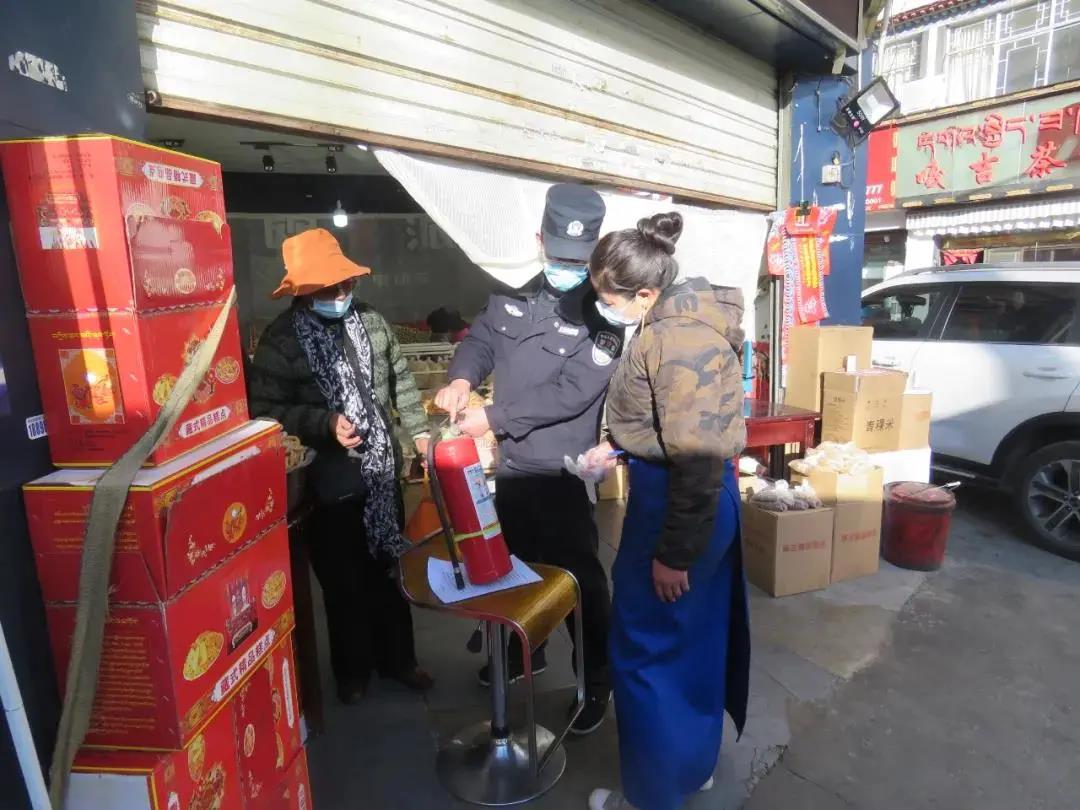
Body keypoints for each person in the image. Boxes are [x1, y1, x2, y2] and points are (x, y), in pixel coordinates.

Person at [434, 183, 622, 735]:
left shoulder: (604, 320)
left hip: (563, 474)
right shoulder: (509, 297)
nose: (568, 270)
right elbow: (480, 341)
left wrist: (492, 418)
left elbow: (571, 393)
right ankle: (524, 653)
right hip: (513, 471)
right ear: (540, 241)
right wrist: (461, 378)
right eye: (560, 258)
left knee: (579, 582)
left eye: (579, 262)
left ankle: (596, 680)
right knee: (512, 570)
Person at [583, 213, 751, 810]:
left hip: (679, 506)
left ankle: (651, 796)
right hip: (691, 498)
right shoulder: (678, 321)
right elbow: (672, 423)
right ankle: (689, 767)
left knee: (645, 653)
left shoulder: (678, 339)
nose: (603, 308)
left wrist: (674, 553)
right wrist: (621, 446)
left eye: (608, 299)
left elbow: (697, 455)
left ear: (645, 293)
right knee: (694, 640)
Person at [248, 228, 434, 704]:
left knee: (388, 570)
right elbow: (263, 408)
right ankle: (353, 671)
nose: (340, 294)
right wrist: (323, 422)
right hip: (326, 481)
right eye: (328, 288)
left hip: (381, 473)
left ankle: (400, 661)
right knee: (341, 580)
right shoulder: (281, 339)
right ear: (302, 291)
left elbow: (401, 381)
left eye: (346, 284)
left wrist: (420, 433)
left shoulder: (371, 321)